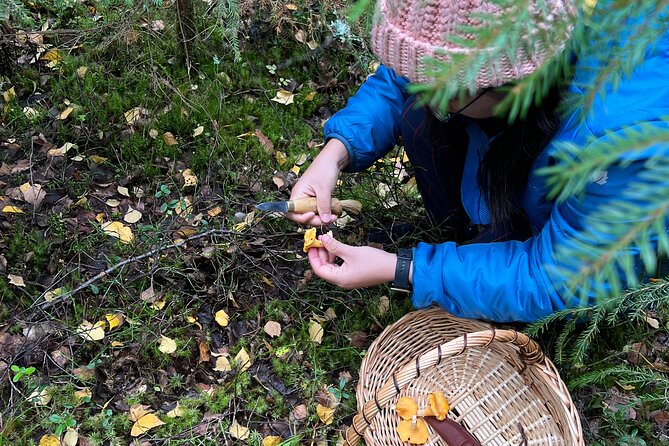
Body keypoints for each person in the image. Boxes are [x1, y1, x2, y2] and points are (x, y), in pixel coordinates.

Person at [287, 0, 669, 322]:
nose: (423, 89)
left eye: (443, 90)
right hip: (527, 131)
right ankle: (465, 241)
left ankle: (482, 253)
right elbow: (408, 73)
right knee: (421, 116)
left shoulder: (618, 140)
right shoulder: (513, 36)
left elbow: (560, 279)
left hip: (595, 229)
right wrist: (335, 153)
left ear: (509, 82)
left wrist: (405, 270)